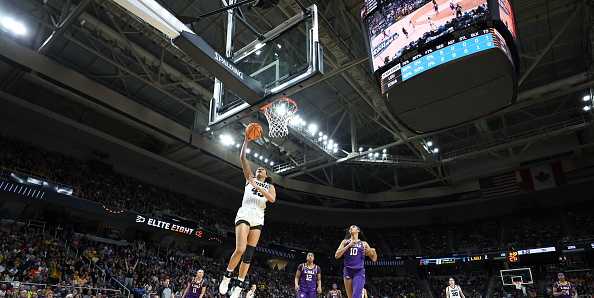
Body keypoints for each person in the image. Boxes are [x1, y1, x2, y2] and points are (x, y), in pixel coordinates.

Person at [218, 129, 277, 298]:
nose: (259, 170)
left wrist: (257, 186)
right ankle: (227, 277)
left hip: (258, 217)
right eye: (258, 169)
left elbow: (271, 199)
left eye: (262, 170)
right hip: (244, 214)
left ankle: (239, 285)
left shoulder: (269, 186)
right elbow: (242, 158)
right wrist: (246, 140)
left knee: (249, 254)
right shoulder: (248, 178)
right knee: (240, 248)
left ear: (266, 175)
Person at [334, 225, 377, 298]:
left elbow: (374, 259)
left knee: (356, 296)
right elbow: (336, 256)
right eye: (350, 228)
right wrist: (348, 246)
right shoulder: (345, 242)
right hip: (347, 271)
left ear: (358, 230)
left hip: (359, 271)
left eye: (353, 226)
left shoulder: (364, 243)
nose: (351, 228)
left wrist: (372, 251)